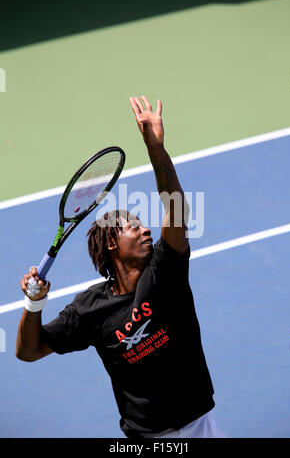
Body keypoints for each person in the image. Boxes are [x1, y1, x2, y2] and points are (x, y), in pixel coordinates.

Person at [16, 95, 226, 438]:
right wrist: (34, 303)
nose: (146, 229)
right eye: (134, 226)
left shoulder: (164, 273)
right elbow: (29, 350)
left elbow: (175, 209)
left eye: (143, 224)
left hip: (202, 426)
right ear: (112, 242)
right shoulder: (89, 309)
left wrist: (156, 150)